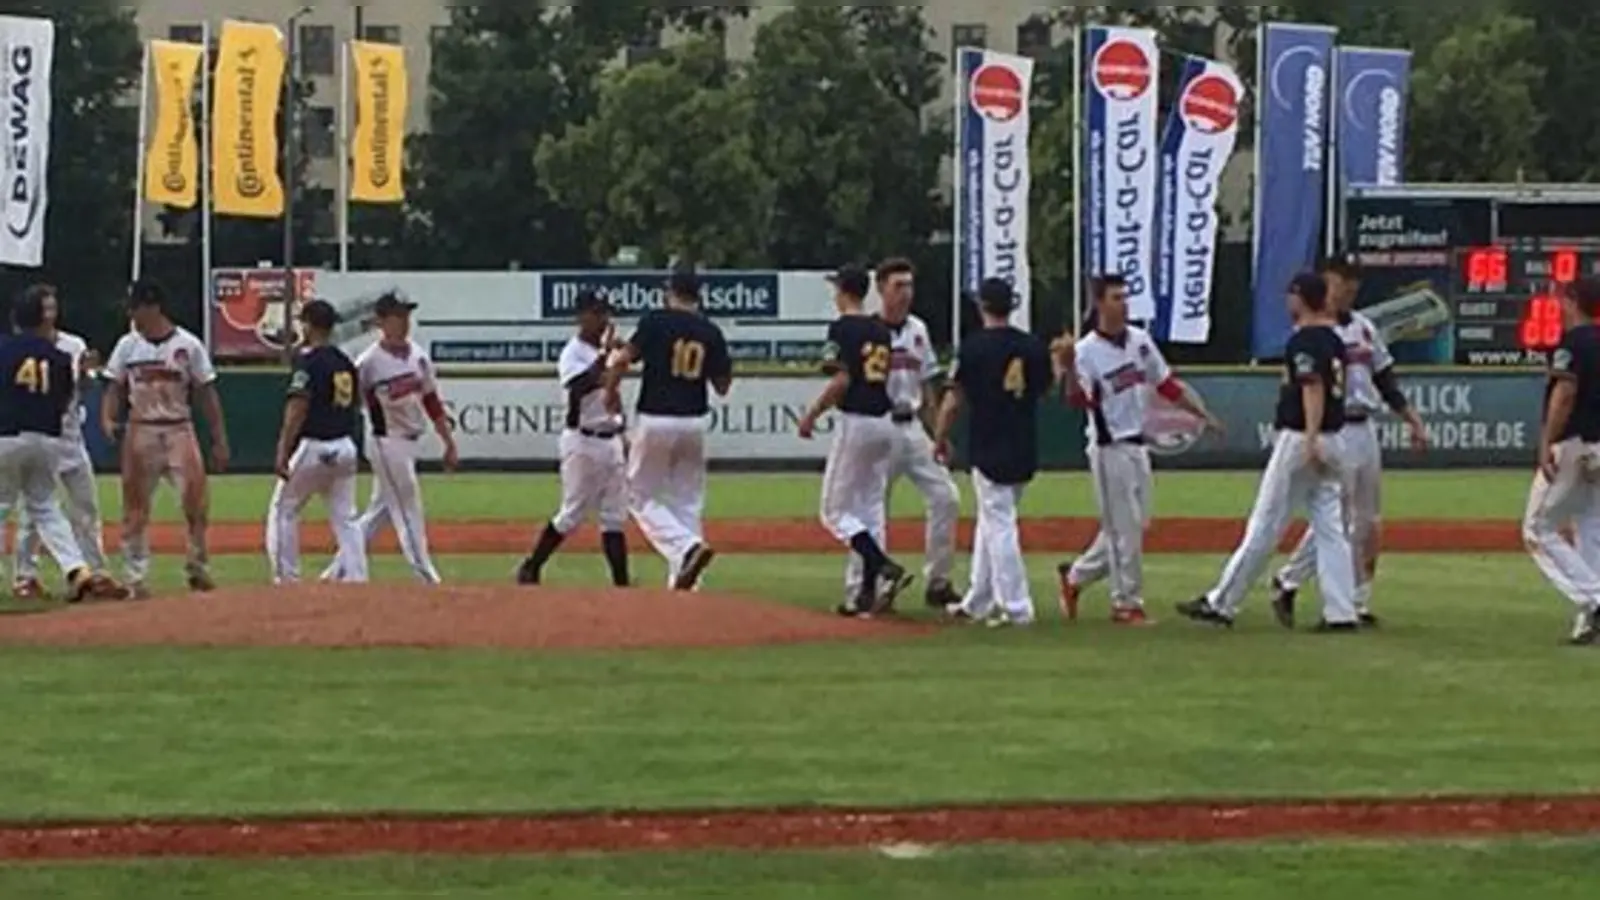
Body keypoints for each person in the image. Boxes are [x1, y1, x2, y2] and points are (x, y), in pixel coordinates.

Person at [1176, 273, 1360, 631]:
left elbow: (1313, 388)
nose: (1286, 301)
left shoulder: (1305, 340)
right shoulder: (1335, 339)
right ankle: (1341, 611)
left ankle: (1222, 603)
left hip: (1304, 439)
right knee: (1331, 528)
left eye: (1290, 294)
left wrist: (1309, 440)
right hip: (1336, 438)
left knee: (1265, 524)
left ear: (1301, 298)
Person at [1055, 274, 1222, 625]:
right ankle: (1125, 603)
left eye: (1124, 296)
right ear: (1099, 303)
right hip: (1108, 447)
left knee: (1136, 524)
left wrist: (1202, 415)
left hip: (1137, 444)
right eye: (1116, 297)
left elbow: (1166, 384)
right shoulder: (1086, 352)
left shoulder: (1139, 341)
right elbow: (1077, 400)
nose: (1123, 302)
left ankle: (1075, 578)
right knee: (1124, 528)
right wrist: (1069, 367)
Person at [1270, 254, 1427, 628]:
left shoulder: (1363, 327)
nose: (1347, 289)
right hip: (1332, 429)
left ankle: (1354, 599)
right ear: (1325, 285)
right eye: (1341, 282)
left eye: (1353, 283)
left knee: (1367, 521)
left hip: (1364, 428)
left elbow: (1384, 378)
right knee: (1337, 520)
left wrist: (1412, 419)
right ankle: (1294, 580)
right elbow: (1294, 387)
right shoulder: (1308, 333)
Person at [840, 258, 961, 612]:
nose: (906, 293)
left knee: (947, 497)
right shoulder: (866, 330)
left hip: (911, 428)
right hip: (879, 425)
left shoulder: (918, 330)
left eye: (909, 285)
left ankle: (938, 582)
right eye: (898, 285)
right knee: (870, 509)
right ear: (879, 289)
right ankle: (863, 588)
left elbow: (927, 385)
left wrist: (937, 432)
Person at [932, 278, 1052, 626]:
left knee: (999, 524)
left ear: (982, 306)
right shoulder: (1031, 346)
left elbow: (954, 398)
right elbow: (1046, 389)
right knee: (991, 518)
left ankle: (1017, 606)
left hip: (988, 443)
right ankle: (978, 601)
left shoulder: (972, 347)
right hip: (1024, 442)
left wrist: (939, 435)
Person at [604, 266, 732, 591]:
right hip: (695, 421)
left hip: (656, 416)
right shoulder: (710, 330)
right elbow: (723, 385)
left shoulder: (655, 321)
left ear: (670, 290)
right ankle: (687, 581)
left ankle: (687, 548)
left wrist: (610, 391)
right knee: (687, 501)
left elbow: (622, 361)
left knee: (636, 494)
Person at [102, 278, 228, 599]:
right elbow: (114, 387)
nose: (132, 314)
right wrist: (107, 417)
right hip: (140, 427)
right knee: (134, 507)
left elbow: (206, 393)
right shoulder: (128, 345)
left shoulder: (188, 344)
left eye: (136, 308)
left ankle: (197, 567)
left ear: (152, 307)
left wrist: (218, 438)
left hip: (178, 428)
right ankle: (135, 577)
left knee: (196, 502)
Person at [799, 263, 913, 617]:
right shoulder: (880, 330)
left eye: (836, 288)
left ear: (844, 291)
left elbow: (841, 380)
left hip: (857, 421)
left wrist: (812, 414)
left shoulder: (842, 327)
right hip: (884, 422)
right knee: (868, 509)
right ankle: (865, 595)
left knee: (833, 512)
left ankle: (881, 565)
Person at [322, 291, 458, 584]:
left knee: (379, 513)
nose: (404, 321)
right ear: (381, 321)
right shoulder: (368, 362)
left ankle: (336, 571)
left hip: (409, 441)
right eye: (397, 316)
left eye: (406, 315)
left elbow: (432, 401)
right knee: (408, 507)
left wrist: (447, 441)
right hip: (385, 442)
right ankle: (426, 575)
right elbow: (348, 403)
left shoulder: (419, 356)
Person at [0, 287, 125, 603]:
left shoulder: (4, 349)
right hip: (49, 438)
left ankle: (46, 574)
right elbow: (64, 400)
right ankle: (76, 569)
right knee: (45, 507)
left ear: (16, 320)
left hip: (8, 435)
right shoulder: (58, 356)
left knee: (4, 506)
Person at [517, 290, 631, 587]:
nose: (603, 318)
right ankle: (531, 566)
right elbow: (578, 387)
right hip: (582, 440)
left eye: (605, 312)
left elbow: (613, 392)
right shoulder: (574, 352)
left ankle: (622, 584)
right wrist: (605, 357)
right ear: (581, 317)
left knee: (615, 516)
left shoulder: (608, 350)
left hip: (611, 439)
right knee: (572, 513)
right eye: (596, 313)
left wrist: (623, 428)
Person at [1522, 276, 1600, 645]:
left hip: (1574, 444)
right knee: (1590, 527)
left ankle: (1594, 599)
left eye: (1562, 299)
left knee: (1538, 529)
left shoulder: (1573, 343)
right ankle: (1588, 622)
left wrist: (1545, 442)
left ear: (1573, 301)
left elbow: (1565, 394)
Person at [265, 300, 366, 585]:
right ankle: (358, 578)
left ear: (308, 324)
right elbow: (355, 406)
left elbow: (297, 406)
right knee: (346, 518)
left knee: (283, 510)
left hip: (314, 446)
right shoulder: (344, 362)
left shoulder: (309, 362)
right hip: (344, 446)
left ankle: (287, 579)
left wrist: (283, 449)